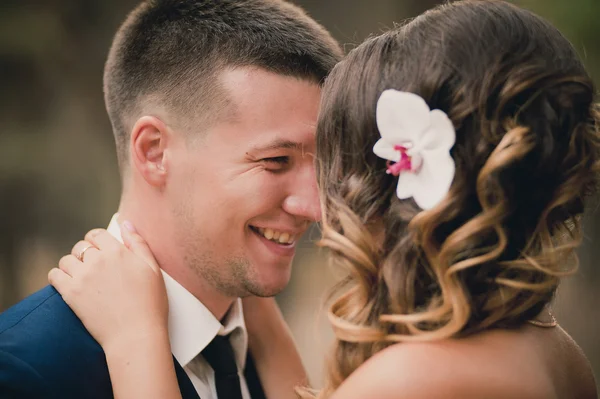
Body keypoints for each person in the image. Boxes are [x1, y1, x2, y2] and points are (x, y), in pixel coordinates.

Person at [49, 0, 600, 398]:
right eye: (276, 162)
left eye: (342, 168)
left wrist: (136, 341)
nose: (319, 205)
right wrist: (255, 311)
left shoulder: (415, 378)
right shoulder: (553, 349)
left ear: (403, 185)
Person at [0, 1, 343, 398]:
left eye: (321, 165)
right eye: (275, 161)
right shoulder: (25, 371)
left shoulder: (264, 355)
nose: (314, 207)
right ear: (154, 152)